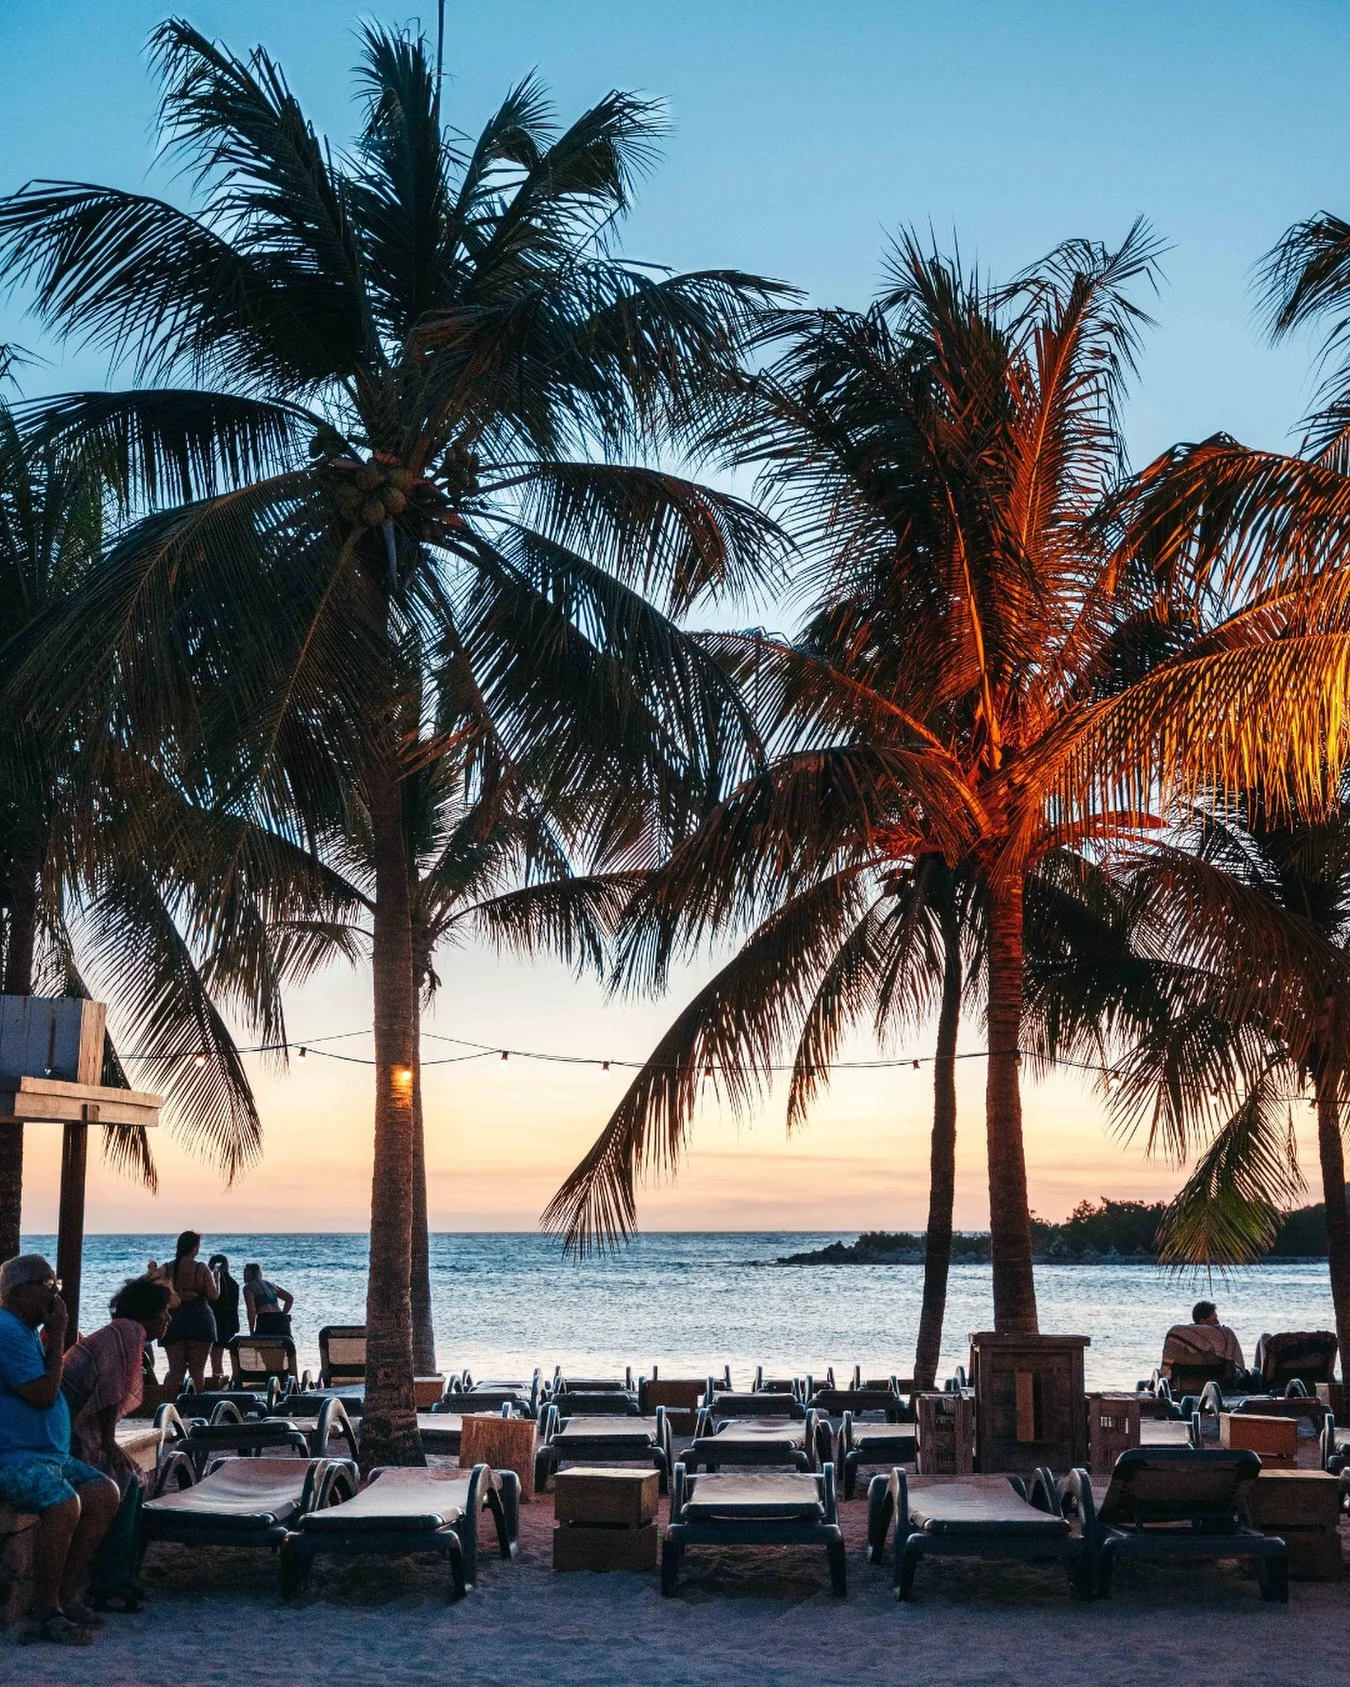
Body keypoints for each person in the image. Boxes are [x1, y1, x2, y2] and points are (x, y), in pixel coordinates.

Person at [0, 1253, 119, 1646]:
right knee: (64, 1503)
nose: (55, 1295)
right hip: (14, 1457)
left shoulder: (25, 1330)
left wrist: (52, 1336)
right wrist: (61, 1338)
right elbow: (41, 1393)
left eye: (57, 1287)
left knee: (103, 1492)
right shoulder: (6, 1330)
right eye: (48, 1286)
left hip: (46, 1455)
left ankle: (66, 1595)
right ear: (18, 1293)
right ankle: (45, 1610)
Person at [60, 1276, 172, 1612]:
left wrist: (108, 1443)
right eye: (164, 1312)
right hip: (66, 1433)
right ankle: (109, 1580)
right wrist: (109, 1444)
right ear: (149, 1315)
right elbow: (109, 1395)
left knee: (133, 1480)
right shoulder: (127, 1335)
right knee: (126, 1480)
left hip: (73, 1427)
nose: (168, 1319)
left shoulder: (121, 1333)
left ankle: (119, 1574)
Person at [157, 1231, 219, 1394]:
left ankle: (170, 1407)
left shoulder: (167, 1268)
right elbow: (213, 1295)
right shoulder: (201, 1268)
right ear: (194, 1248)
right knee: (197, 1372)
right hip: (200, 1319)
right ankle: (195, 1406)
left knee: (176, 1371)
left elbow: (157, 1292)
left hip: (174, 1320)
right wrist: (217, 1279)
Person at [1160, 1298, 1247, 1385]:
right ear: (1202, 1321)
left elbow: (1168, 1366)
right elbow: (1234, 1365)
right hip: (1219, 1384)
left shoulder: (1180, 1337)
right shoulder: (1223, 1335)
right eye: (1214, 1319)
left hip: (1183, 1383)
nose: (1218, 1322)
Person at [206, 1254, 240, 1388]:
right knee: (217, 1358)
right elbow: (234, 1308)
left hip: (212, 1322)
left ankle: (216, 1386)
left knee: (212, 1358)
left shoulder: (209, 1282)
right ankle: (221, 1385)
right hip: (226, 1324)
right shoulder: (233, 1283)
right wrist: (235, 1326)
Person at [242, 1262, 294, 1337]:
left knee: (263, 1346)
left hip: (265, 1320)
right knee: (283, 1347)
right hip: (282, 1320)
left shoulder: (248, 1288)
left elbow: (251, 1311)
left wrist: (251, 1330)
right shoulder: (270, 1284)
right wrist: (283, 1314)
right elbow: (289, 1298)